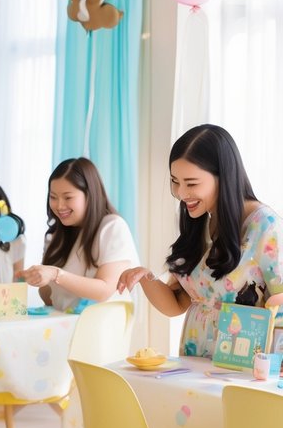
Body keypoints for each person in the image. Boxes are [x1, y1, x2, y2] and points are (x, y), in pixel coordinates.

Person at [118, 125, 283, 356]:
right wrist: (146, 278)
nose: (181, 193)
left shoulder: (265, 226)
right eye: (175, 181)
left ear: (223, 177)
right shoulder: (200, 222)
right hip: (195, 360)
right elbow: (177, 303)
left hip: (243, 365)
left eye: (191, 183)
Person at [21, 157, 137, 310]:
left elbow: (105, 290)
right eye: (53, 197)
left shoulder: (112, 227)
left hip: (99, 328)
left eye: (68, 197)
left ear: (90, 195)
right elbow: (51, 300)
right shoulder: (56, 235)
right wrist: (37, 278)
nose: (59, 206)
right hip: (64, 326)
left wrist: (56, 274)